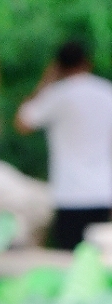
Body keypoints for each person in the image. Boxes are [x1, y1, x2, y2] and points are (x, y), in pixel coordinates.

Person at [16, 41, 112, 250]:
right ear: (87, 62)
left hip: (69, 192)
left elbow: (23, 123)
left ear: (58, 66)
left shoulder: (57, 95)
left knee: (68, 262)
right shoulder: (107, 93)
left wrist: (46, 81)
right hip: (103, 190)